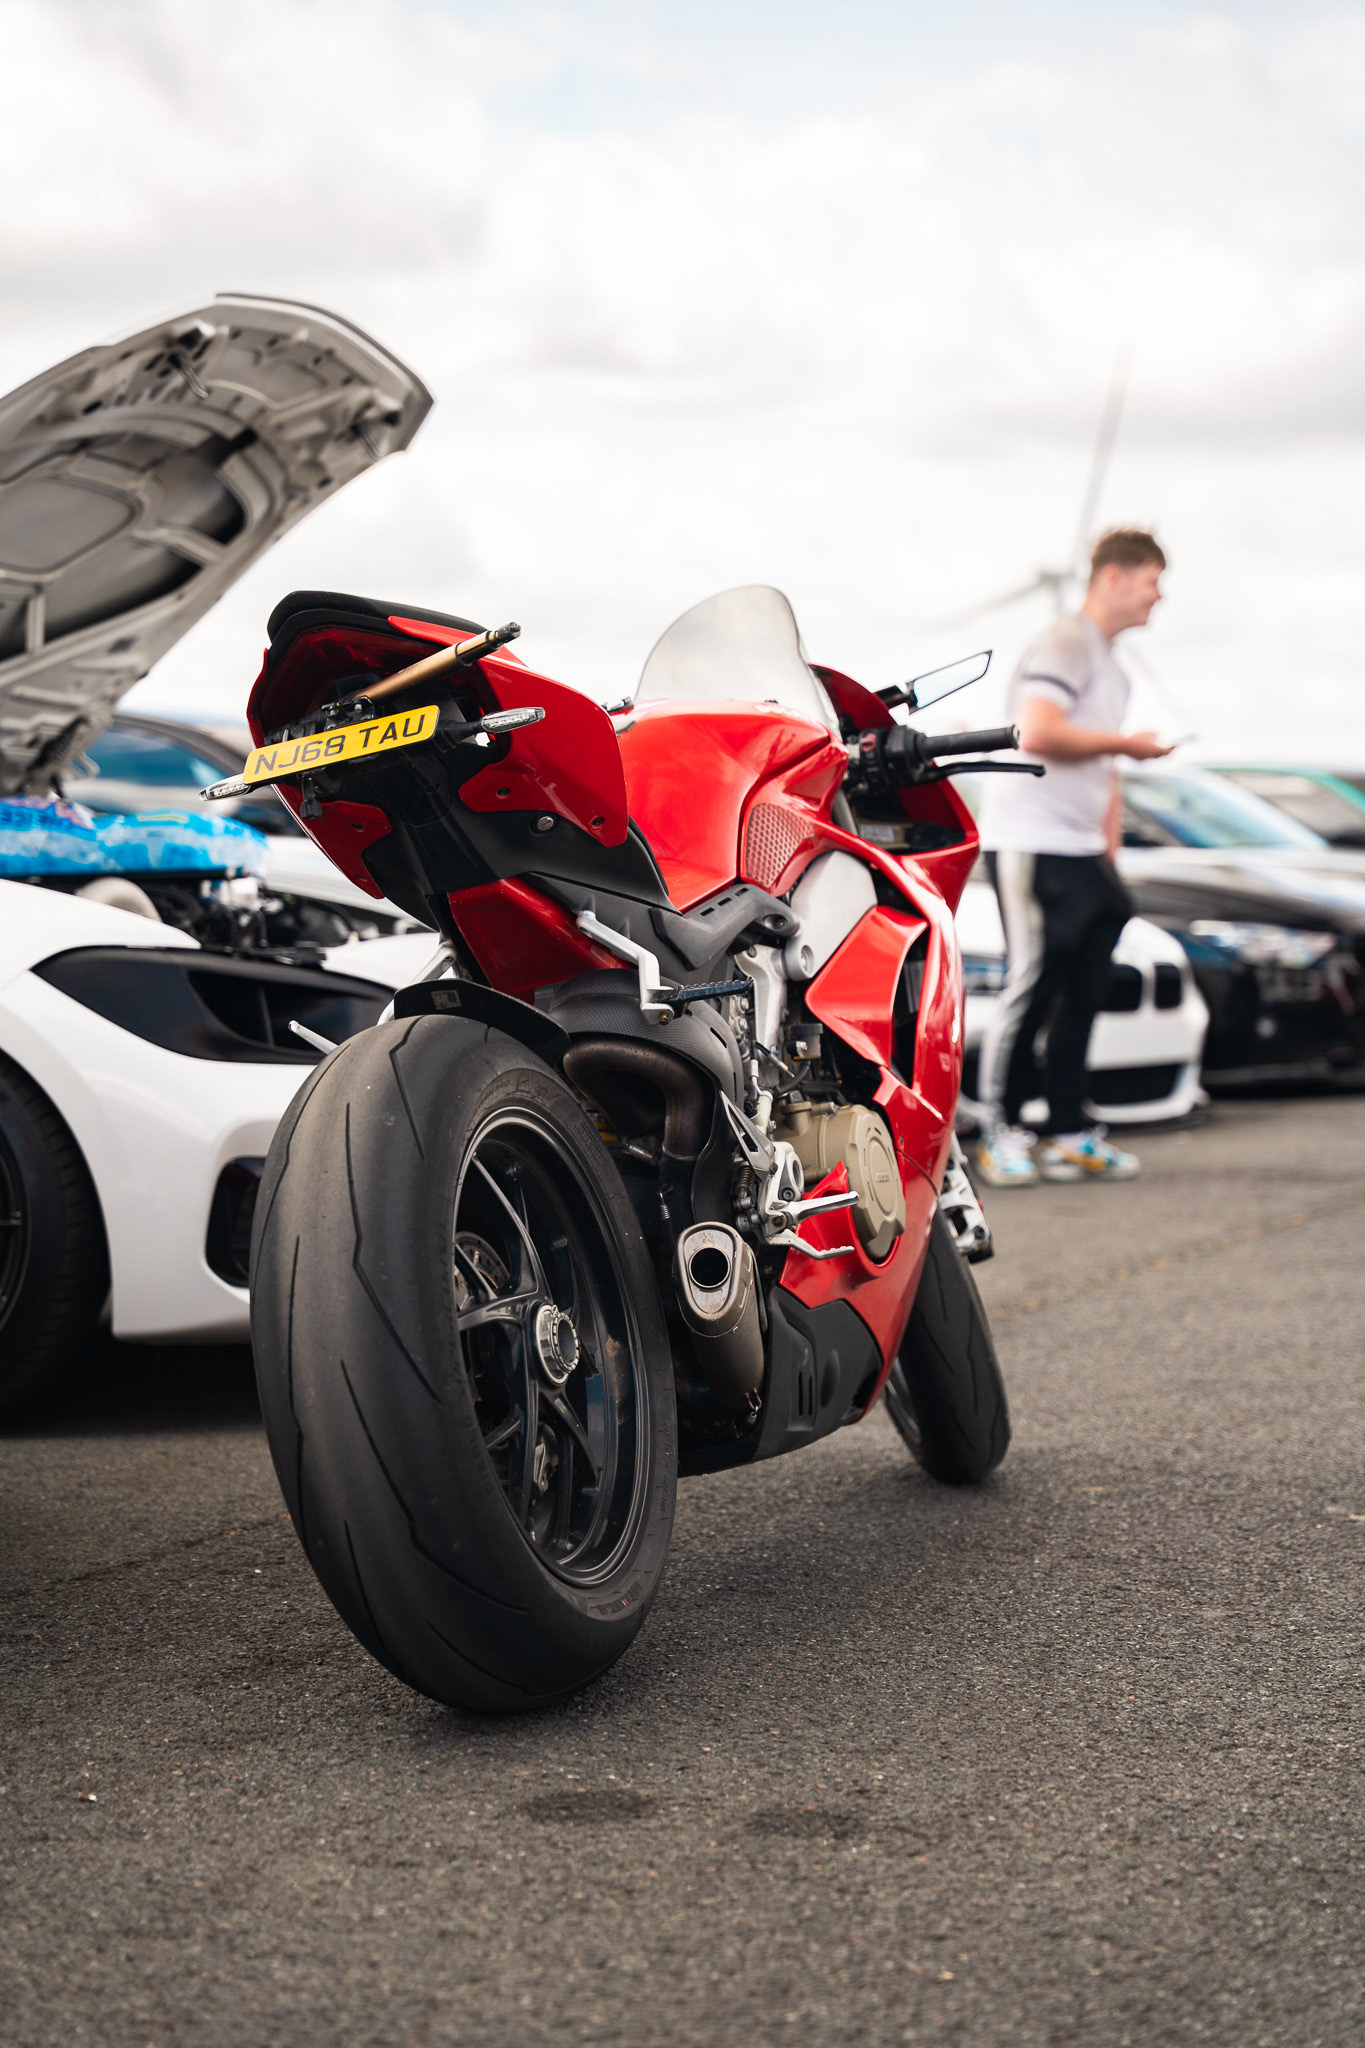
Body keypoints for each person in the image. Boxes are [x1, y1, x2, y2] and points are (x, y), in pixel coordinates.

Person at [973, 528, 1173, 1187]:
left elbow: (1103, 768)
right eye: (1150, 580)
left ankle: (1067, 1131)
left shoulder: (1110, 664)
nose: (1157, 596)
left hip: (1081, 849)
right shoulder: (1065, 642)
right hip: (1031, 842)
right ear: (1112, 578)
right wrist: (1130, 744)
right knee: (1029, 985)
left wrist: (1107, 851)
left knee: (1083, 991)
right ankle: (999, 1131)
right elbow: (1037, 731)